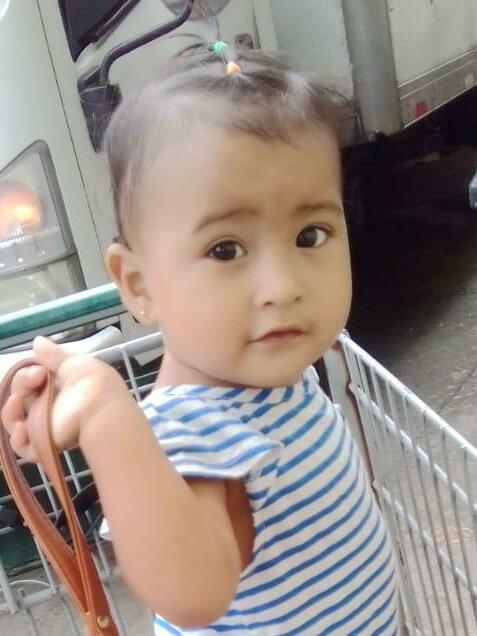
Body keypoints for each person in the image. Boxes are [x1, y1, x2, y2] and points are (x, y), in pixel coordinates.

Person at [1, 43, 399, 635]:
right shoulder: (194, 433)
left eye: (310, 235)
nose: (283, 287)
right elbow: (192, 595)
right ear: (139, 285)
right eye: (225, 249)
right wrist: (107, 419)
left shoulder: (277, 380)